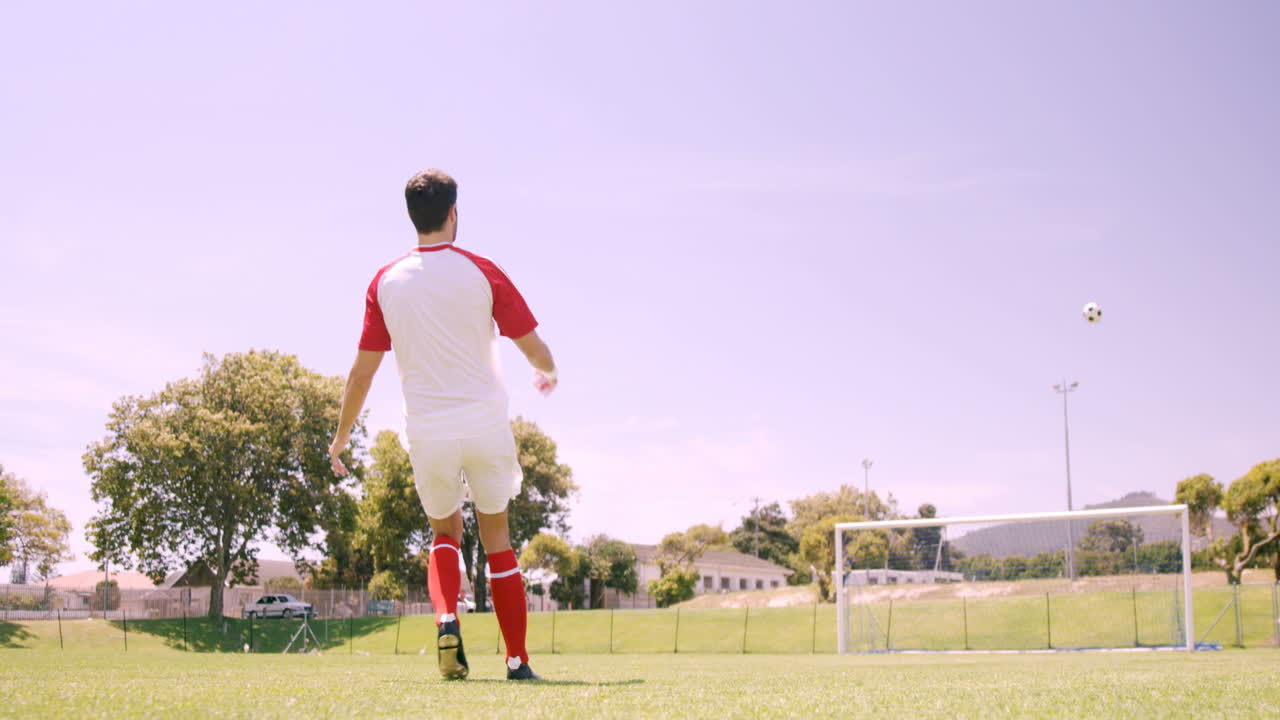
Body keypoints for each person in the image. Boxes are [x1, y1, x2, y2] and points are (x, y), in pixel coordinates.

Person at [327, 168, 557, 681]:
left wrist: (341, 436)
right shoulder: (482, 269)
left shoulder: (385, 282)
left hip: (427, 432)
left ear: (413, 216)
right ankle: (517, 661)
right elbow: (533, 346)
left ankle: (447, 619)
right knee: (496, 536)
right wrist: (548, 372)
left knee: (444, 534)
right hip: (484, 426)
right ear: (454, 213)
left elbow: (362, 373)